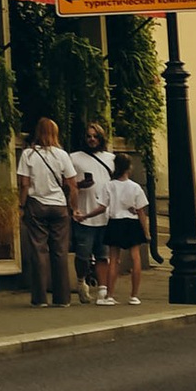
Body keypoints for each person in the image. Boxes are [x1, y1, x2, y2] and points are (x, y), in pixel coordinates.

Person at [17, 117, 75, 309]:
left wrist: (21, 205)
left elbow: (24, 184)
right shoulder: (63, 155)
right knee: (60, 251)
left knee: (39, 250)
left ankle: (40, 297)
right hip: (58, 205)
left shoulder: (28, 155)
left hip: (36, 204)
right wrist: (72, 207)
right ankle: (62, 298)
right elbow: (71, 184)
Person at [65, 125, 115, 303]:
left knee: (103, 254)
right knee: (83, 254)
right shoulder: (74, 158)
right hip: (84, 214)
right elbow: (67, 183)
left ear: (101, 138)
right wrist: (79, 187)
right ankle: (81, 282)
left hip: (105, 215)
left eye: (95, 136)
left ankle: (102, 289)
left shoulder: (110, 158)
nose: (92, 139)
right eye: (88, 136)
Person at [102, 151, 151, 306]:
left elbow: (103, 206)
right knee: (135, 258)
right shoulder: (135, 187)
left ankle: (110, 295)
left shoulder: (109, 185)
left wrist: (86, 215)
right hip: (132, 223)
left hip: (115, 221)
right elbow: (141, 211)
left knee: (114, 260)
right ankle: (134, 295)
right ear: (129, 168)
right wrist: (146, 232)